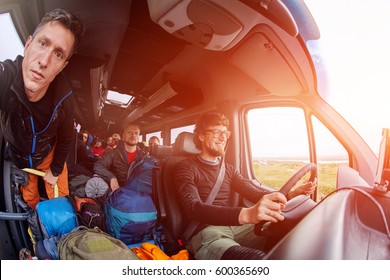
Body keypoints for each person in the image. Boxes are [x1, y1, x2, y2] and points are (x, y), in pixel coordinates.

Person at [174, 112, 316, 260]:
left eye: (225, 132)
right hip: (207, 232)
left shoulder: (228, 169)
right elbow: (194, 208)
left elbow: (254, 192)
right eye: (216, 132)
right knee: (256, 260)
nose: (223, 138)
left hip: (236, 226)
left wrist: (291, 194)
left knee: (291, 232)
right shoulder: (185, 167)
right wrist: (247, 214)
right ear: (201, 136)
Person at [0, 9, 85, 209]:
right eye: (43, 43)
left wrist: (55, 171)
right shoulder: (6, 77)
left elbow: (67, 138)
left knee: (60, 202)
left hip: (48, 156)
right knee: (29, 199)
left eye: (58, 54)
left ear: (63, 66)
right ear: (28, 44)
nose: (44, 61)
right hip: (21, 157)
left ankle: (60, 235)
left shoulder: (65, 101)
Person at [94, 122, 145, 192]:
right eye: (130, 132)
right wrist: (111, 177)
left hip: (137, 192)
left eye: (136, 133)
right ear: (123, 136)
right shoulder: (113, 153)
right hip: (119, 191)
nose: (133, 135)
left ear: (138, 137)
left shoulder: (144, 156)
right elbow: (98, 165)